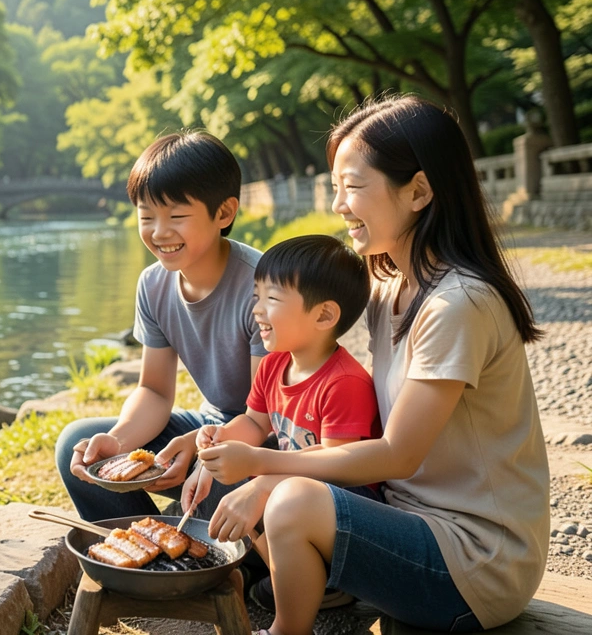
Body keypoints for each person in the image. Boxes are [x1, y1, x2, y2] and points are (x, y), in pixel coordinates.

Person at [196, 95, 548, 634]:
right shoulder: (390, 288)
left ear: (419, 191)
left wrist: (264, 471)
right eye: (336, 187)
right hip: (406, 524)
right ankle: (306, 580)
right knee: (240, 472)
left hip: (476, 561)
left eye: (353, 186)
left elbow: (398, 454)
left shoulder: (459, 303)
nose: (339, 204)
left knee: (284, 495)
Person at [56, 130, 267, 522]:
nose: (159, 232)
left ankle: (222, 547)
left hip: (263, 443)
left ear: (224, 213)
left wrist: (199, 445)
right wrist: (117, 440)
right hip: (209, 428)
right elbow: (154, 390)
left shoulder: (264, 287)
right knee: (77, 444)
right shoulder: (153, 284)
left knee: (225, 478)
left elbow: (267, 413)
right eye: (147, 216)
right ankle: (147, 539)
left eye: (176, 216)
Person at [182, 234, 376, 610]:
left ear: (324, 315)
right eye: (256, 295)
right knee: (234, 483)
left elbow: (341, 464)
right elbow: (255, 423)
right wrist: (220, 437)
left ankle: (321, 585)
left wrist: (265, 482)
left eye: (271, 299)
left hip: (339, 502)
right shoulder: (274, 365)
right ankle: (289, 579)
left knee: (263, 487)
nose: (256, 309)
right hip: (291, 488)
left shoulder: (344, 383)